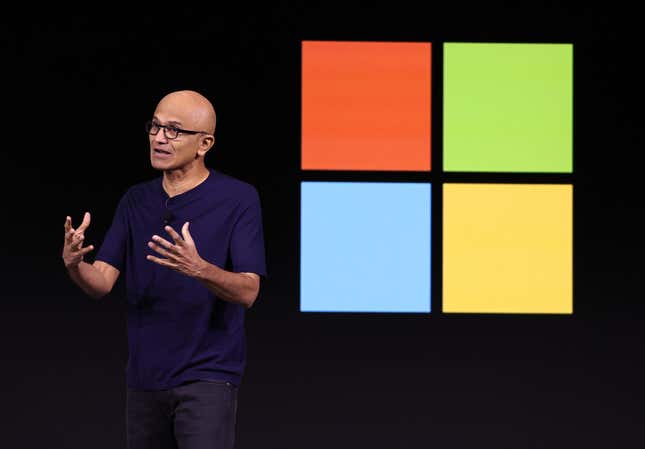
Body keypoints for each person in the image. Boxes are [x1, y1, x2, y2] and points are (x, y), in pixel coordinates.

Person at [61, 89, 267, 449]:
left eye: (173, 130)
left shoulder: (238, 198)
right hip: (144, 379)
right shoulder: (135, 200)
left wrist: (200, 268)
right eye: (155, 127)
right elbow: (102, 282)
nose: (158, 137)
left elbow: (249, 291)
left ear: (204, 143)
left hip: (207, 377)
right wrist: (75, 265)